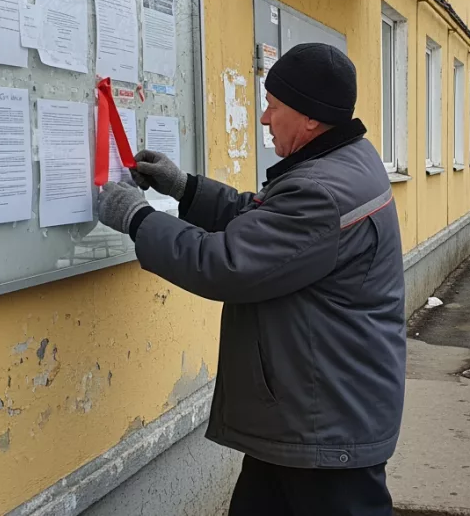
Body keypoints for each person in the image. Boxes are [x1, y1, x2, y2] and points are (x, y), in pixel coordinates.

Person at [97, 43, 406, 516]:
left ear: (309, 119)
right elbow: (264, 223)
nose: (264, 118)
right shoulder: (344, 161)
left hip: (324, 427)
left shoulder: (322, 192)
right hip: (308, 413)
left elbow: (226, 264)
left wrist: (137, 219)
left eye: (274, 106)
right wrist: (186, 188)